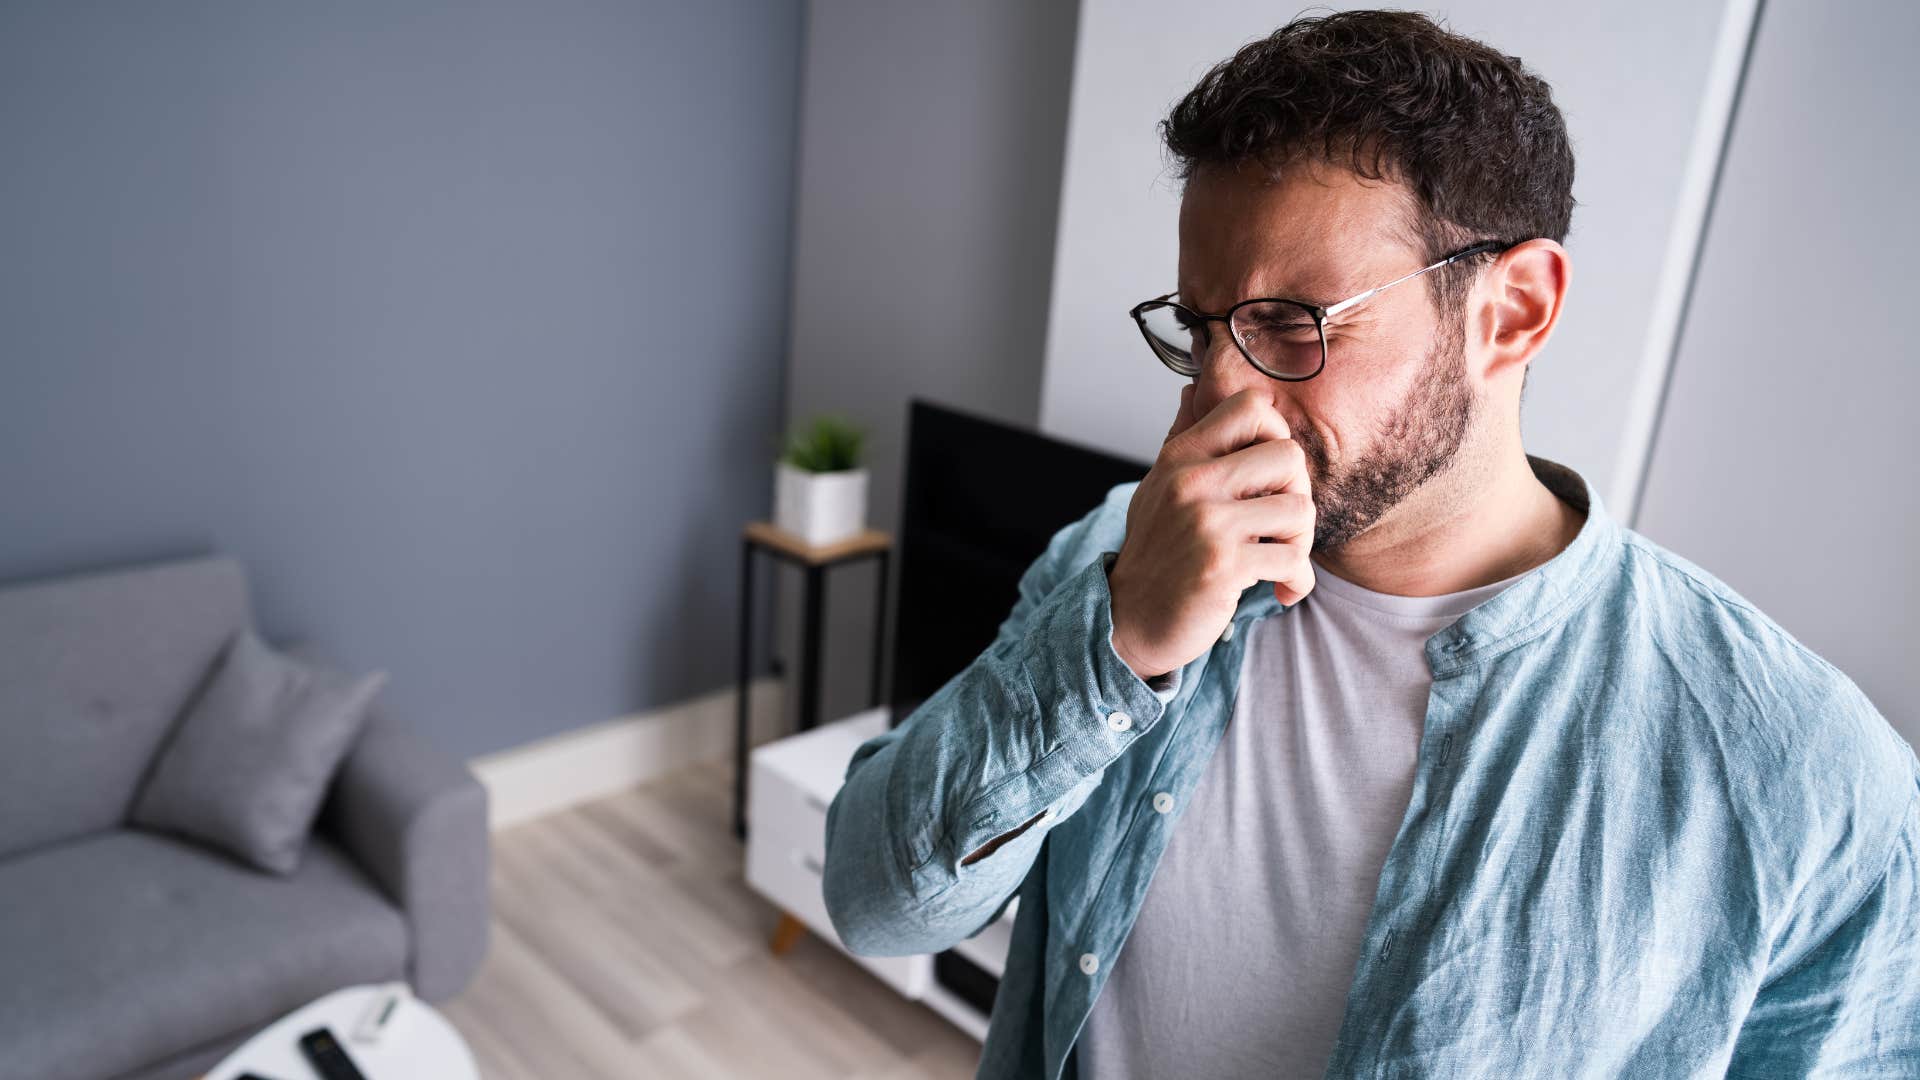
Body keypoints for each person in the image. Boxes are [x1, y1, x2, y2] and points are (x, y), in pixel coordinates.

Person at [820, 10, 1920, 1078]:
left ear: (1514, 311)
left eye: (1293, 320)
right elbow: (874, 904)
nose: (1219, 395)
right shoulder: (1119, 551)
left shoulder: (1806, 778)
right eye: (1201, 327)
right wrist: (1115, 644)